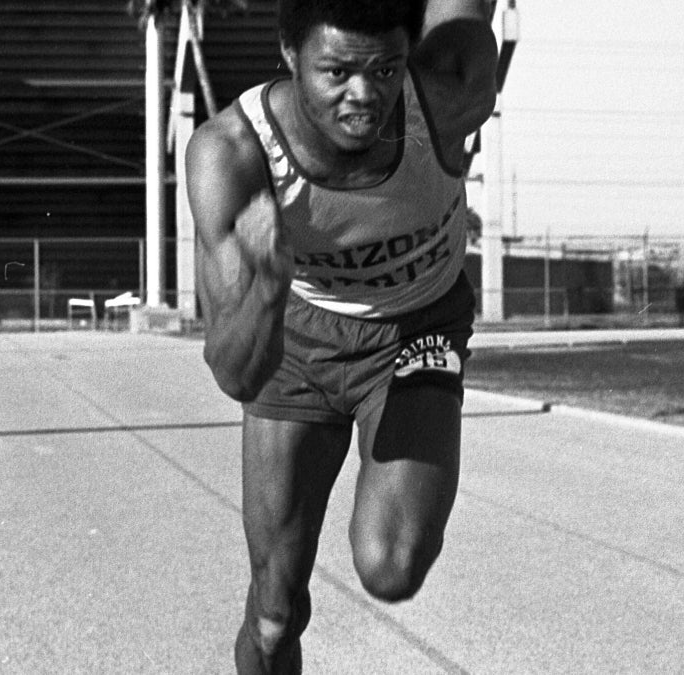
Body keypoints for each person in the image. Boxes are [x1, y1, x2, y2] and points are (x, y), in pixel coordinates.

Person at [184, 0, 497, 671]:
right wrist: (266, 283)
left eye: (385, 69)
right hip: (292, 340)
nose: (365, 95)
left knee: (393, 564)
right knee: (273, 614)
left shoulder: (443, 93)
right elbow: (236, 374)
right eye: (338, 73)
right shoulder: (233, 156)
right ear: (291, 57)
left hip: (418, 327)